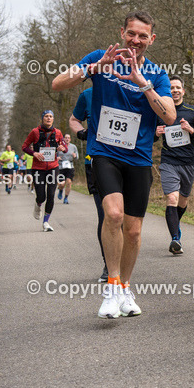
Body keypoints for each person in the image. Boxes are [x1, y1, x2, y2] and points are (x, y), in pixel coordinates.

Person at [52, 11, 175, 319]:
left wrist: (142, 83)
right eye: (131, 33)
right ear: (122, 32)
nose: (136, 40)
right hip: (104, 152)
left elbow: (171, 117)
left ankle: (124, 288)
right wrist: (93, 69)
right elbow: (57, 83)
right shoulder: (100, 59)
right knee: (114, 214)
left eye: (142, 36)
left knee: (133, 231)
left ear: (151, 39)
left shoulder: (157, 75)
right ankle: (110, 286)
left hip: (139, 158)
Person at [155, 76, 194, 255]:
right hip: (169, 162)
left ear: (183, 91)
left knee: (183, 201)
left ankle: (175, 226)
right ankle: (175, 239)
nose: (175, 90)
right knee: (172, 199)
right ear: (167, 91)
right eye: (171, 88)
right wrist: (155, 133)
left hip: (189, 163)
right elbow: (149, 138)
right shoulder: (160, 112)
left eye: (178, 87)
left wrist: (191, 130)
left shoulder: (193, 112)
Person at [69, 87, 108, 282]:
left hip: (129, 162)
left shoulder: (131, 88)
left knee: (128, 220)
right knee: (107, 215)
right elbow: (73, 119)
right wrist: (82, 132)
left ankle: (122, 263)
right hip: (96, 160)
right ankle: (109, 265)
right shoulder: (87, 94)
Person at [22, 110, 66, 232]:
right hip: (38, 169)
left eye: (50, 116)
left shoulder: (58, 132)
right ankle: (38, 204)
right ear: (42, 118)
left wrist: (63, 148)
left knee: (51, 195)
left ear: (53, 119)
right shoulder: (34, 132)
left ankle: (46, 222)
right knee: (41, 196)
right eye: (46, 116)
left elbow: (64, 147)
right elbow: (24, 147)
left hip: (53, 167)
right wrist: (34, 153)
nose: (48, 118)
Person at [56, 134, 78, 204]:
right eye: (66, 138)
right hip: (61, 166)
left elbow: (77, 157)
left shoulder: (73, 147)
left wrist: (75, 156)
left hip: (70, 166)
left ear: (70, 139)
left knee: (68, 182)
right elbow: (54, 155)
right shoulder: (60, 146)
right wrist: (56, 158)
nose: (67, 139)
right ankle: (60, 190)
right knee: (62, 184)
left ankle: (66, 198)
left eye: (68, 138)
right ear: (63, 139)